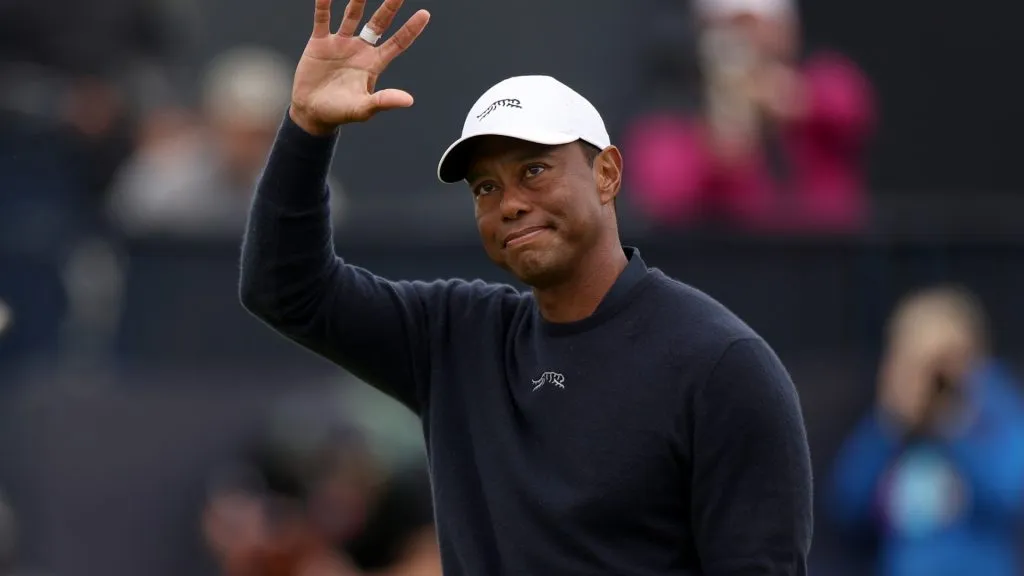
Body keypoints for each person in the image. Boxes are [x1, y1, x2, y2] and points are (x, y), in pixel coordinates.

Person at [239, 0, 813, 574]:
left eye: (533, 171)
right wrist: (307, 128)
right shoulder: (456, 338)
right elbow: (285, 289)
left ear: (607, 173)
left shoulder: (721, 365)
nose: (509, 203)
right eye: (485, 188)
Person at [827, 285, 1024, 576]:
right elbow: (845, 505)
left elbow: (1010, 494)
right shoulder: (892, 427)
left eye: (943, 362)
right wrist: (888, 423)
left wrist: (955, 422)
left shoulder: (993, 409)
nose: (934, 379)